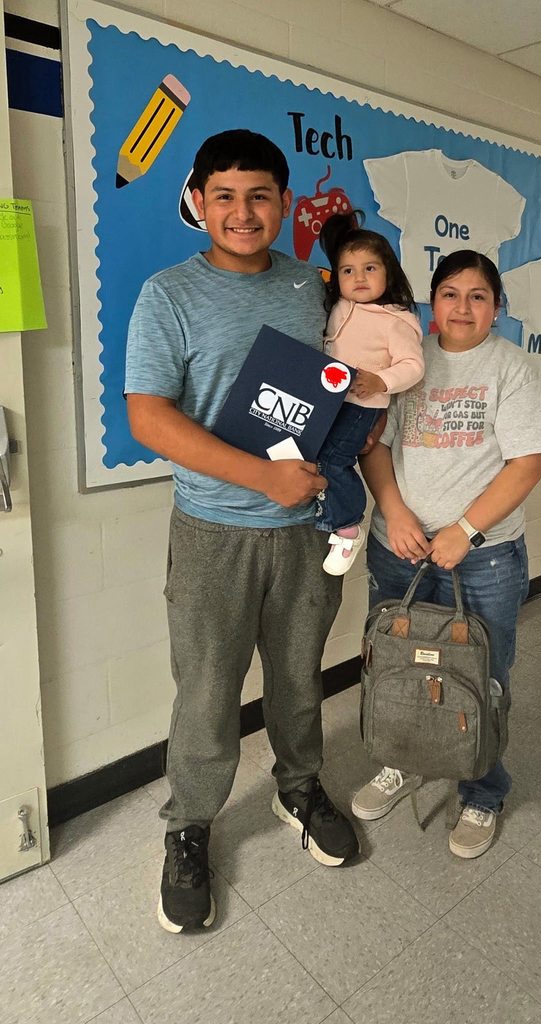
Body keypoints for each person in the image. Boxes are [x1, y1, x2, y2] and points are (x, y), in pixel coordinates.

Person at [125, 129, 360, 935]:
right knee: (207, 689)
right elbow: (148, 416)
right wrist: (261, 475)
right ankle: (189, 824)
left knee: (299, 675)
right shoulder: (168, 295)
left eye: (259, 195)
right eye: (223, 195)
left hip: (307, 532)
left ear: (284, 204)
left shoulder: (315, 287)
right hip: (213, 531)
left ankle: (300, 785)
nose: (242, 211)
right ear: (198, 202)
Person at [351, 250, 541, 858]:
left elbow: (527, 464)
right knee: (394, 663)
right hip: (400, 546)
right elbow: (374, 446)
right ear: (430, 302)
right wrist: (393, 511)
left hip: (483, 555)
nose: (462, 307)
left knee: (481, 677)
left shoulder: (511, 368)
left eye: (477, 296)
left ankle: (482, 790)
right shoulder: (404, 363)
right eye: (449, 293)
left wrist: (464, 529)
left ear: (497, 307)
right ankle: (402, 761)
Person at [315, 211, 424, 575]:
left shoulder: (395, 320)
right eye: (348, 270)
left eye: (369, 269)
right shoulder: (339, 306)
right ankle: (331, 512)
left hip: (361, 405)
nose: (358, 278)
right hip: (329, 399)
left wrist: (381, 381)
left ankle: (346, 525)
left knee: (334, 460)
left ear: (388, 273)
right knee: (316, 456)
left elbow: (413, 365)